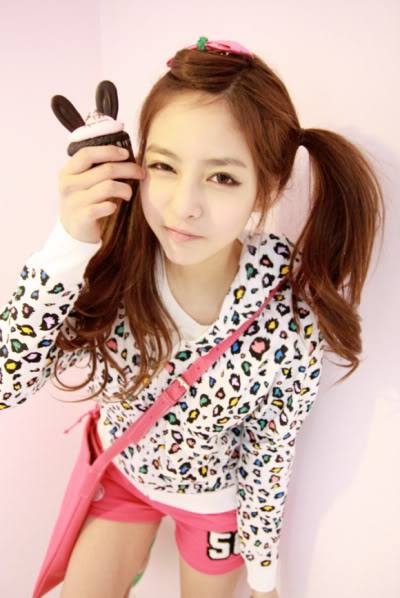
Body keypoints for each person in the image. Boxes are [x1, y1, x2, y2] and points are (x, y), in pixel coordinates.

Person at [0, 36, 385, 598]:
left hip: (212, 505)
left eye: (222, 177)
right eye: (163, 166)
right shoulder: (113, 259)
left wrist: (263, 576)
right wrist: (69, 239)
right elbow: (6, 384)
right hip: (122, 471)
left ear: (266, 189)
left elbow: (269, 453)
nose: (184, 206)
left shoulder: (287, 312)